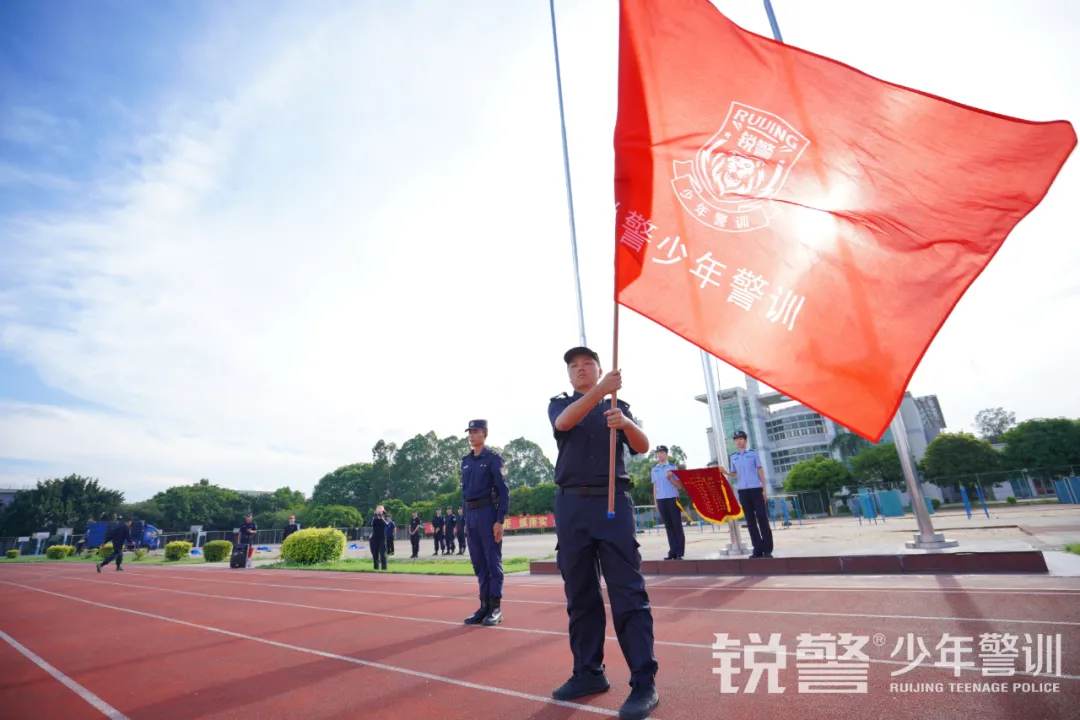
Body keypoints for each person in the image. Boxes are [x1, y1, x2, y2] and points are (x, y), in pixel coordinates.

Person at [547, 346, 659, 720]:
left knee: (628, 592)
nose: (581, 369)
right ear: (569, 374)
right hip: (571, 505)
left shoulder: (617, 406)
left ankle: (643, 682)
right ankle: (588, 672)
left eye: (588, 364)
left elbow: (642, 446)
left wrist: (625, 423)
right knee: (580, 592)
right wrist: (600, 391)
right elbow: (564, 424)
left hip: (612, 503)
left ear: (599, 369)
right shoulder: (561, 404)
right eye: (574, 366)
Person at [460, 419, 510, 627]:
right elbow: (464, 492)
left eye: (476, 431)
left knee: (492, 561)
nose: (471, 435)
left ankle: (495, 607)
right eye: (470, 432)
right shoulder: (466, 461)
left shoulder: (493, 459)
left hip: (488, 513)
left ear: (485, 434)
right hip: (471, 515)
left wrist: (500, 520)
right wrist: (465, 519)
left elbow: (503, 491)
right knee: (479, 562)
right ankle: (484, 606)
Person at [720, 429, 773, 558]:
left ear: (745, 440)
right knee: (750, 521)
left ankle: (767, 549)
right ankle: (757, 549)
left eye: (741, 439)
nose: (739, 441)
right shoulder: (733, 457)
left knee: (762, 517)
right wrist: (725, 472)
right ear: (734, 442)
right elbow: (734, 474)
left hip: (756, 489)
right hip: (743, 491)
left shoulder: (753, 454)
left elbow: (760, 472)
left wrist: (764, 490)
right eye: (736, 440)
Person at [651, 446, 686, 561]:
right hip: (661, 500)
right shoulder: (654, 469)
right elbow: (655, 486)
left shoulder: (672, 468)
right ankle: (672, 552)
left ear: (666, 454)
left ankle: (679, 552)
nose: (659, 455)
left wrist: (671, 477)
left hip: (672, 499)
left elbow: (679, 486)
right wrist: (655, 501)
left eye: (662, 452)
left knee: (676, 526)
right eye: (658, 453)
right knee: (668, 527)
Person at [370, 506, 388, 570]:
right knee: (375, 554)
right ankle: (376, 568)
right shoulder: (373, 519)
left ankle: (384, 568)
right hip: (374, 538)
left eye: (381, 512)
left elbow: (387, 524)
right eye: (379, 512)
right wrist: (375, 516)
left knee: (383, 554)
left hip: (382, 538)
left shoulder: (384, 519)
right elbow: (370, 524)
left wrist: (381, 517)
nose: (380, 513)